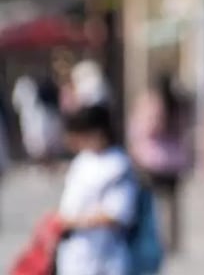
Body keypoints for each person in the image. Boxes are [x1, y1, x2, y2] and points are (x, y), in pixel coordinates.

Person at [56, 105, 138, 275]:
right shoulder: (82, 160)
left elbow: (117, 214)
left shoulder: (118, 165)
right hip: (75, 254)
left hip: (104, 255)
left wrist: (75, 221)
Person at [128, 72, 193, 253]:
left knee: (153, 203)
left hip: (153, 159)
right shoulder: (178, 105)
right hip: (175, 159)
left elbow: (143, 130)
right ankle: (174, 240)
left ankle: (157, 239)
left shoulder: (152, 103)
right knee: (173, 204)